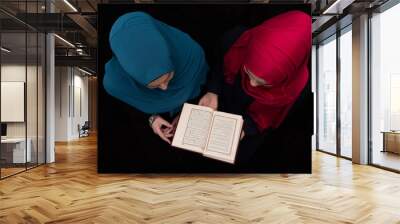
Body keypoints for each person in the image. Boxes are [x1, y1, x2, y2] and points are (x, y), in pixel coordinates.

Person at [198, 10, 312, 165]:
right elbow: (220, 63)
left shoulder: (298, 89)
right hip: (222, 101)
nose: (251, 84)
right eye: (248, 72)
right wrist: (213, 90)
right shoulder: (235, 39)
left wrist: (245, 128)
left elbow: (268, 116)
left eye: (264, 83)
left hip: (249, 126)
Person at [103, 11, 209, 144]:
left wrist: (188, 111)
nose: (165, 88)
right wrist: (152, 118)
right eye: (154, 86)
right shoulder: (117, 84)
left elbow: (207, 82)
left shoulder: (191, 54)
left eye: (168, 77)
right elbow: (131, 109)